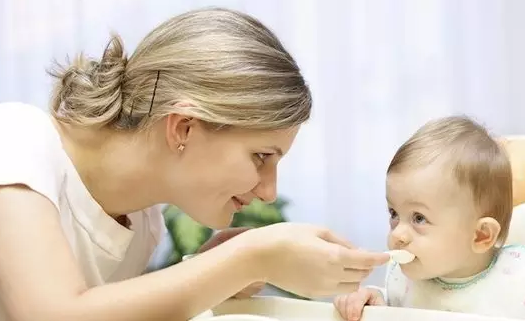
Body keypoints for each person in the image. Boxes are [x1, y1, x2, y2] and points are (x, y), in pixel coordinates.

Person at [0, 7, 389, 321]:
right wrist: (246, 258)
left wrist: (207, 271)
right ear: (183, 127)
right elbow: (51, 314)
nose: (268, 191)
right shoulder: (17, 141)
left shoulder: (142, 221)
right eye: (261, 156)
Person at [334, 116, 525, 320]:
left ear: (480, 235)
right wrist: (375, 301)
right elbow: (395, 306)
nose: (398, 234)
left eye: (419, 218)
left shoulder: (516, 282)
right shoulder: (405, 281)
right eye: (394, 214)